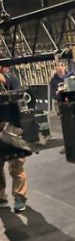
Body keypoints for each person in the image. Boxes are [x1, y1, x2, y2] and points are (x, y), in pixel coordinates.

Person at [0, 67, 27, 213]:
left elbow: (19, 96)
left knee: (16, 164)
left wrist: (4, 80)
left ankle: (19, 196)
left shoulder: (10, 77)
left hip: (12, 126)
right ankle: (1, 197)